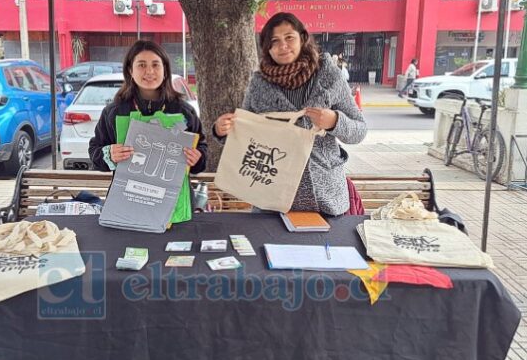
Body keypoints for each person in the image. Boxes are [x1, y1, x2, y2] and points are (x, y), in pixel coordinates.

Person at [213, 12, 367, 216]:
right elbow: (247, 135)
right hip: (272, 195)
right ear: (267, 48)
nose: (282, 46)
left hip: (325, 197)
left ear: (303, 38)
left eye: (289, 38)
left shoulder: (329, 75)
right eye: (274, 41)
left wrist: (334, 121)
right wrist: (223, 131)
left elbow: (359, 130)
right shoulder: (259, 84)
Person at [89, 40, 206, 174]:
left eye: (156, 65)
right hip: (127, 192)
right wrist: (109, 155)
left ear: (165, 70)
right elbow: (94, 151)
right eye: (142, 65)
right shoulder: (114, 112)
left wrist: (197, 158)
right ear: (130, 70)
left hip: (173, 192)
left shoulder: (184, 112)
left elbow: (201, 150)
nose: (149, 71)